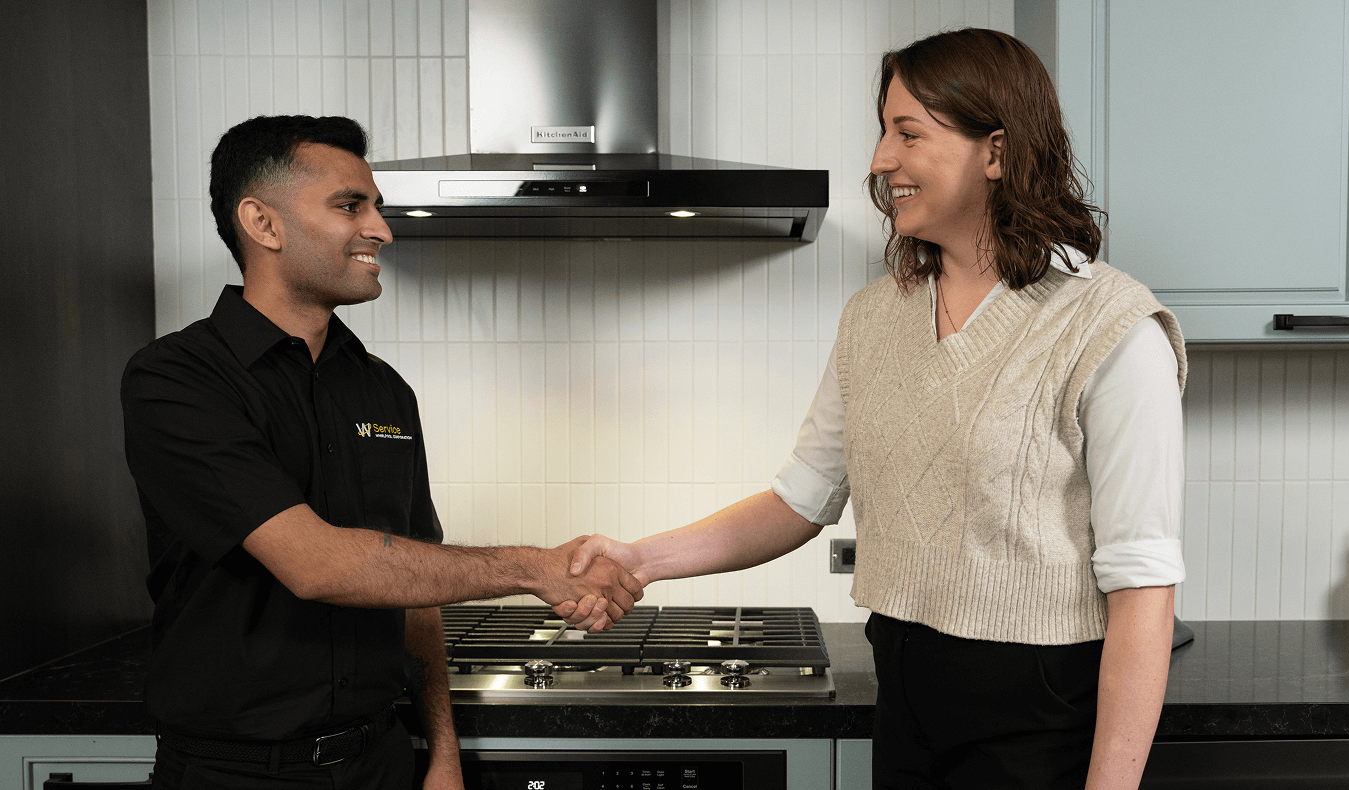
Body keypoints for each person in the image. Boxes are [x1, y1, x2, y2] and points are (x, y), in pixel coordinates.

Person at [557, 29, 1185, 790]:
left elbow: (1143, 589)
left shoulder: (1111, 329)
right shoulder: (874, 318)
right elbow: (800, 499)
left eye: (908, 134)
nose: (881, 160)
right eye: (884, 132)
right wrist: (640, 561)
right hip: (907, 702)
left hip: (1042, 721)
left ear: (996, 152)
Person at [121, 115, 643, 790]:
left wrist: (443, 754)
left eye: (378, 206)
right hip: (235, 773)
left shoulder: (383, 389)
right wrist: (535, 568)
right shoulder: (177, 379)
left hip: (380, 763)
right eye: (350, 206)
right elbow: (315, 564)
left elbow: (415, 593)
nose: (382, 230)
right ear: (263, 223)